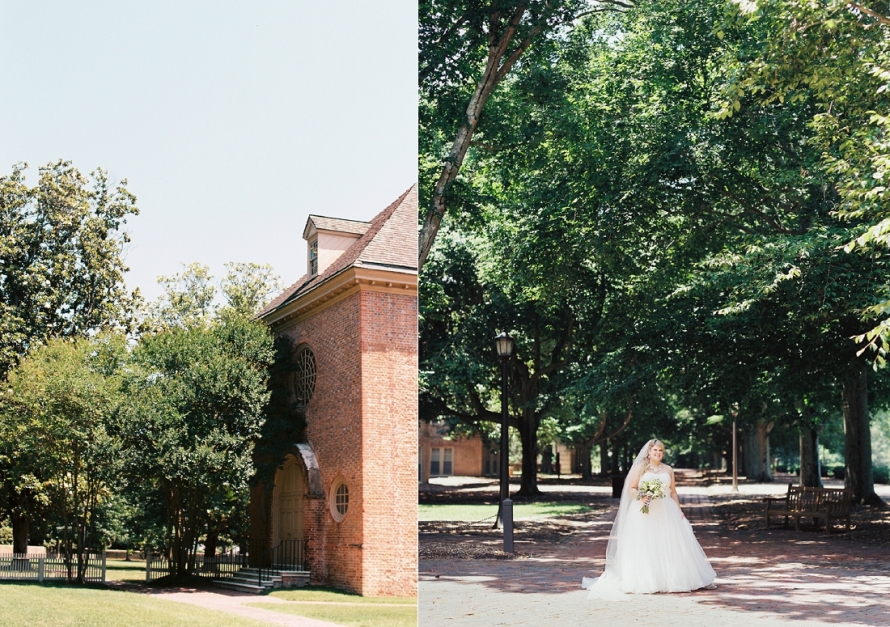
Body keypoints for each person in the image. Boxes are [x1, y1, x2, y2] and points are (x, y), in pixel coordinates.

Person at [582, 439, 716, 599]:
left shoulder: (668, 469)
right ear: (649, 452)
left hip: (666, 509)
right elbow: (632, 488)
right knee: (646, 543)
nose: (658, 453)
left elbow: (672, 491)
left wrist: (679, 510)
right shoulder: (640, 468)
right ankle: (648, 580)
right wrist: (641, 496)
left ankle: (671, 578)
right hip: (644, 510)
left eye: (660, 451)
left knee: (667, 542)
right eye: (655, 451)